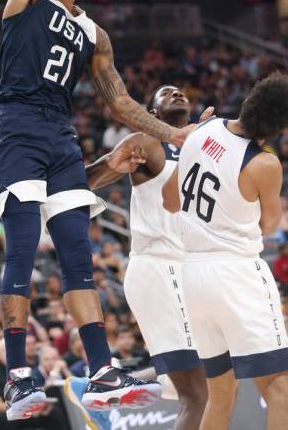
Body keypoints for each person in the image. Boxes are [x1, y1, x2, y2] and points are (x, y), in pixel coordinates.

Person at [0, 0, 189, 421]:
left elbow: (120, 102)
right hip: (14, 123)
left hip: (59, 133)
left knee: (77, 251)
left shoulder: (94, 33)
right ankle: (20, 374)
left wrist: (173, 131)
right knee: (21, 245)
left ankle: (100, 371)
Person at [162, 72, 288, 430]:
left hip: (193, 275)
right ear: (279, 126)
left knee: (221, 393)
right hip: (236, 273)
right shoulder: (265, 163)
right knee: (280, 386)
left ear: (249, 100)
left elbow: (170, 201)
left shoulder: (202, 129)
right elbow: (268, 227)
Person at [86, 85, 209, 430]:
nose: (177, 93)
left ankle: (102, 390)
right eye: (165, 92)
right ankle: (102, 388)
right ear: (152, 113)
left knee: (210, 373)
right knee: (197, 395)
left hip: (188, 270)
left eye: (182, 90)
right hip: (159, 265)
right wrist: (113, 163)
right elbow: (87, 179)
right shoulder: (147, 142)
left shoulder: (201, 146)